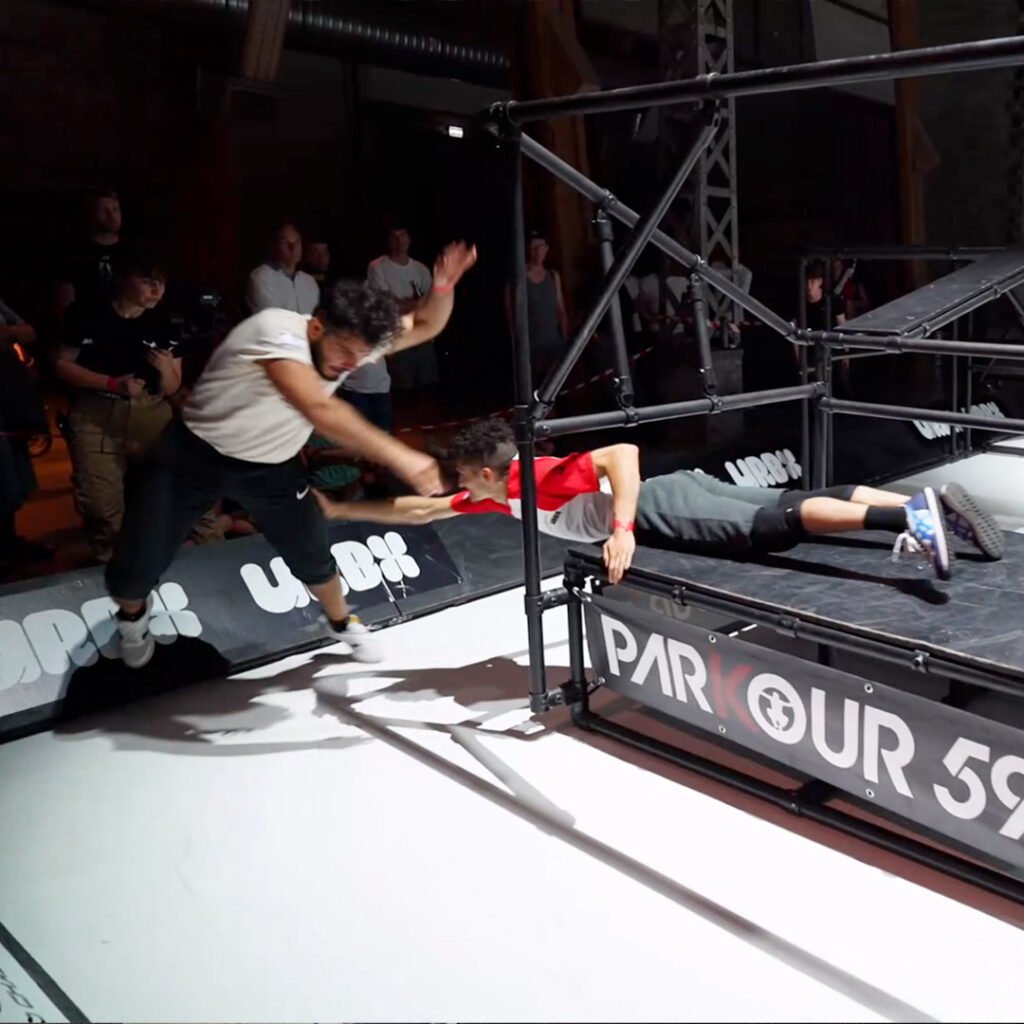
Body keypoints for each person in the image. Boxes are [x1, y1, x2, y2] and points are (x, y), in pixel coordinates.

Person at [105, 241, 478, 669]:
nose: (351, 365)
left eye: (360, 356)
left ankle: (341, 621)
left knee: (314, 554)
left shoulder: (352, 342)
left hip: (271, 466)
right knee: (134, 568)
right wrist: (402, 457)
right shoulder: (276, 334)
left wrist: (443, 286)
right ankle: (132, 620)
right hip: (194, 455)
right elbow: (317, 407)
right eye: (345, 352)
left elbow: (426, 323)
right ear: (317, 328)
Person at [315, 417, 1004, 586]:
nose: (458, 484)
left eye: (466, 474)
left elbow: (623, 454)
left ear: (489, 471)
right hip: (683, 487)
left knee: (777, 524)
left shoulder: (533, 479)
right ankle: (932, 504)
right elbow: (425, 510)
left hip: (658, 505)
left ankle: (908, 516)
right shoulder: (497, 497)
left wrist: (621, 530)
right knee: (803, 497)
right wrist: (346, 513)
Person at [56, 243, 184, 563]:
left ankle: (159, 560)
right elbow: (61, 363)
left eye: (161, 282)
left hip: (150, 411)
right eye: (148, 281)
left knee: (163, 491)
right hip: (95, 412)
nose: (156, 290)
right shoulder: (86, 313)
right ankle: (111, 563)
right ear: (124, 278)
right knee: (100, 502)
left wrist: (165, 369)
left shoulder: (164, 322)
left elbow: (173, 385)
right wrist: (112, 383)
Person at [55, 188, 123, 322]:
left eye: (115, 209)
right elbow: (64, 305)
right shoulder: (73, 255)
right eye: (104, 210)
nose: (111, 216)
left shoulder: (134, 252)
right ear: (90, 213)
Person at [246, 222, 321, 315]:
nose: (293, 248)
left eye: (297, 242)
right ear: (273, 246)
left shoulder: (309, 281)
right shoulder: (262, 278)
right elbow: (273, 319)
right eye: (285, 243)